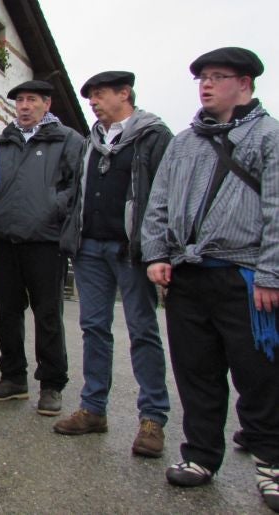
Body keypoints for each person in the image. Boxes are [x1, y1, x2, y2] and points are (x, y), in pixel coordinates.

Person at [142, 47, 279, 510]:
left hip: (245, 277)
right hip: (187, 276)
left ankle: (272, 464)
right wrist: (157, 253)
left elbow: (278, 212)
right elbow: (158, 202)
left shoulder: (268, 136)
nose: (206, 84)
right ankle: (201, 456)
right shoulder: (183, 142)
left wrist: (271, 274)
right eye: (202, 77)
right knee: (197, 373)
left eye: (218, 77)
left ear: (245, 84)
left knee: (259, 374)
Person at [54, 71, 171, 457]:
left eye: (100, 94)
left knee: (142, 330)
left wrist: (160, 249)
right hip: (90, 248)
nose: (93, 101)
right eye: (90, 96)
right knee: (93, 328)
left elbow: (164, 195)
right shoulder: (92, 141)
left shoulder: (153, 137)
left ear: (125, 94)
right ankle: (93, 408)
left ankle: (152, 419)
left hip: (130, 250)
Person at [0, 80, 83, 416]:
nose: (24, 106)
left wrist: (53, 208)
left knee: (48, 314)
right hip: (5, 238)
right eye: (19, 100)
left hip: (46, 240)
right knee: (6, 313)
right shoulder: (1, 143)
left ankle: (52, 384)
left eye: (31, 100)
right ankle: (13, 378)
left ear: (46, 104)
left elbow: (77, 186)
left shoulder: (66, 139)